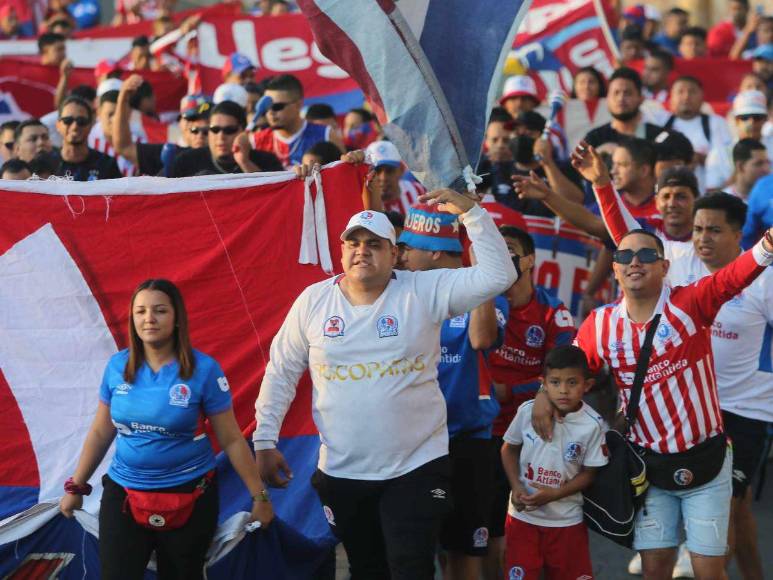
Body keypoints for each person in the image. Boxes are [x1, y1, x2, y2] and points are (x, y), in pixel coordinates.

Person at [253, 190, 517, 580]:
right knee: (367, 569)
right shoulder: (312, 301)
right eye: (354, 242)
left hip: (416, 466)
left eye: (374, 244)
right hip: (343, 472)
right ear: (341, 251)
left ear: (395, 254)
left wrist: (472, 213)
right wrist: (264, 439)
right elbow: (282, 371)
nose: (362, 251)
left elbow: (500, 275)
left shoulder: (422, 290)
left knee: (410, 567)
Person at [539, 142, 773, 580]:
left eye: (647, 255)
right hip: (647, 464)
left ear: (665, 267)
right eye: (624, 257)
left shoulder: (691, 303)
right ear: (614, 270)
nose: (634, 261)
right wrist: (542, 398)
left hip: (707, 460)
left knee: (707, 569)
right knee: (655, 570)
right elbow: (569, 376)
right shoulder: (599, 324)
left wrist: (767, 245)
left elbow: (733, 277)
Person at [59, 279, 273, 580]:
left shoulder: (204, 370)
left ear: (176, 319)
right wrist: (76, 487)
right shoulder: (116, 367)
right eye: (141, 311)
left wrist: (260, 497)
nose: (149, 318)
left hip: (191, 497)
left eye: (159, 310)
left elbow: (232, 439)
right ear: (132, 319)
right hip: (124, 496)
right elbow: (99, 432)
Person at [399, 202, 508, 580]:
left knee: (462, 554)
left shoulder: (487, 293)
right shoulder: (402, 293)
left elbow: (481, 337)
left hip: (467, 443)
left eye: (408, 248)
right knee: (412, 554)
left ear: (433, 252)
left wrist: (481, 273)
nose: (402, 255)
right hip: (413, 444)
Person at [483, 226, 575, 580]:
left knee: (537, 532)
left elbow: (564, 373)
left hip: (535, 435)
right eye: (495, 249)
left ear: (529, 260)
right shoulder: (479, 302)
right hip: (484, 432)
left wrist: (516, 392)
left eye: (509, 249)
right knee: (487, 531)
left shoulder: (553, 311)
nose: (502, 256)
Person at [501, 345, 606, 580]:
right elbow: (508, 450)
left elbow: (590, 473)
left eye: (572, 382)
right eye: (556, 382)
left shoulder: (593, 424)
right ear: (544, 383)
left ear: (587, 385)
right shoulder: (527, 411)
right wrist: (516, 487)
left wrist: (555, 493)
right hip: (523, 518)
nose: (563, 390)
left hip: (566, 521)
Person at [114, 76, 211, 176]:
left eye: (206, 121)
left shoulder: (223, 154)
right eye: (191, 119)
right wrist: (123, 99)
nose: (200, 126)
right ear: (180, 122)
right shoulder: (170, 149)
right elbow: (124, 147)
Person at [250, 74, 344, 167]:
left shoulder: (326, 135)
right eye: (266, 107)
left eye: (277, 106)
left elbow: (344, 174)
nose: (270, 112)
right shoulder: (256, 141)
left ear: (298, 105)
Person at [171, 100, 282, 177]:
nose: (221, 136)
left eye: (229, 130)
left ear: (243, 132)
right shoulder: (186, 161)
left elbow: (276, 198)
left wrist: (245, 163)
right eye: (215, 129)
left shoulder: (267, 161)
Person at [664, 76, 732, 191]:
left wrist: (701, 158)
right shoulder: (660, 123)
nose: (686, 97)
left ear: (702, 97)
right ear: (671, 97)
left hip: (707, 195)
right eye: (680, 92)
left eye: (692, 91)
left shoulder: (717, 123)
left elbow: (727, 163)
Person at [583, 67, 667, 149]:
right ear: (607, 98)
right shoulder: (593, 139)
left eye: (628, 93)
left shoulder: (660, 137)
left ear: (641, 98)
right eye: (616, 93)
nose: (621, 98)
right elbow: (574, 161)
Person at [51, 96, 122, 181]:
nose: (74, 127)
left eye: (81, 121)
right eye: (68, 120)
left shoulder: (107, 164)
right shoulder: (45, 164)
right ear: (58, 125)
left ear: (91, 124)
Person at [363, 140, 425, 215]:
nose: (383, 178)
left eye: (389, 171)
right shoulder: (361, 203)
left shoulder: (418, 191)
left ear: (401, 170)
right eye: (377, 171)